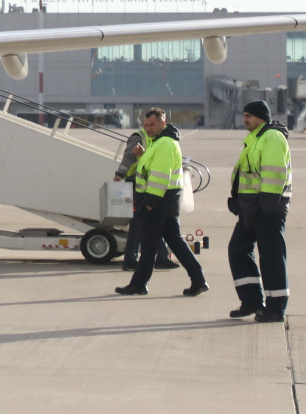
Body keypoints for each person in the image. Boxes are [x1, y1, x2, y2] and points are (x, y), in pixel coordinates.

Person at [116, 108, 207, 297]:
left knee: (149, 247)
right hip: (164, 204)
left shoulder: (165, 143)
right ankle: (199, 279)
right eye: (146, 125)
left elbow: (160, 177)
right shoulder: (159, 143)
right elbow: (153, 168)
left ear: (162, 124)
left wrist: (149, 204)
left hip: (158, 204)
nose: (148, 129)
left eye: (152, 125)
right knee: (175, 243)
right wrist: (143, 155)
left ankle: (139, 284)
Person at [226, 100, 293, 323]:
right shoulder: (255, 139)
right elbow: (245, 175)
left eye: (249, 116)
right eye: (244, 115)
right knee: (238, 249)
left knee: (271, 257)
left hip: (267, 207)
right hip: (252, 207)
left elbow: (274, 174)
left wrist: (266, 206)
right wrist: (238, 201)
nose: (245, 119)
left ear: (261, 117)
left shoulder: (272, 137)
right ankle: (252, 300)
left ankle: (276, 307)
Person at [115, 128, 176, 272]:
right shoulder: (140, 137)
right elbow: (128, 157)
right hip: (138, 184)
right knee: (139, 223)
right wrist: (120, 173)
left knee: (151, 222)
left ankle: (160, 257)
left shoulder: (158, 139)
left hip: (147, 184)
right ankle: (133, 259)